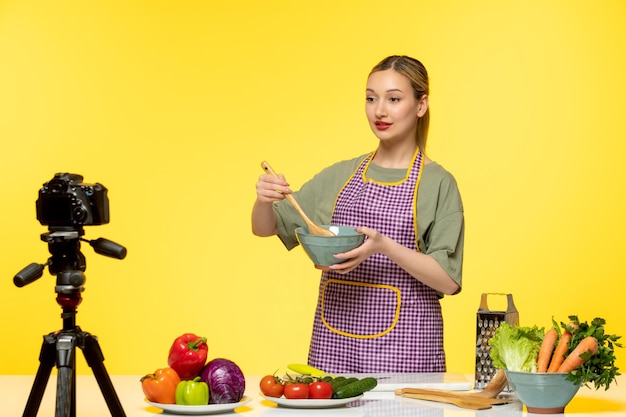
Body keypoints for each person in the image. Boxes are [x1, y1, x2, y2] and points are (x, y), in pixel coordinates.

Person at [252, 55, 464, 373]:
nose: (380, 110)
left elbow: (448, 281)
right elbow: (265, 228)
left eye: (394, 99)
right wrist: (264, 201)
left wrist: (383, 245)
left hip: (406, 352)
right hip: (334, 347)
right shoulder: (341, 176)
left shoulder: (438, 183)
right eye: (371, 98)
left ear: (421, 105)